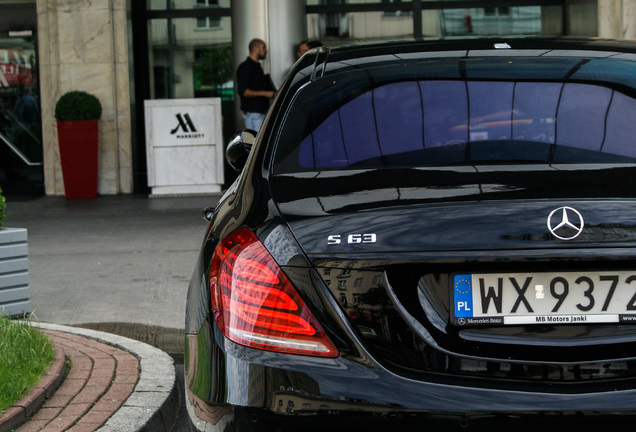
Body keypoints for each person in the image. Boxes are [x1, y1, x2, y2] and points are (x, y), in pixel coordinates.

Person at [236, 38, 276, 131]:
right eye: (263, 48)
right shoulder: (245, 68)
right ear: (255, 49)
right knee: (257, 142)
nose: (266, 51)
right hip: (254, 114)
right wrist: (265, 93)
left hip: (259, 113)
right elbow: (243, 91)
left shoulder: (257, 67)